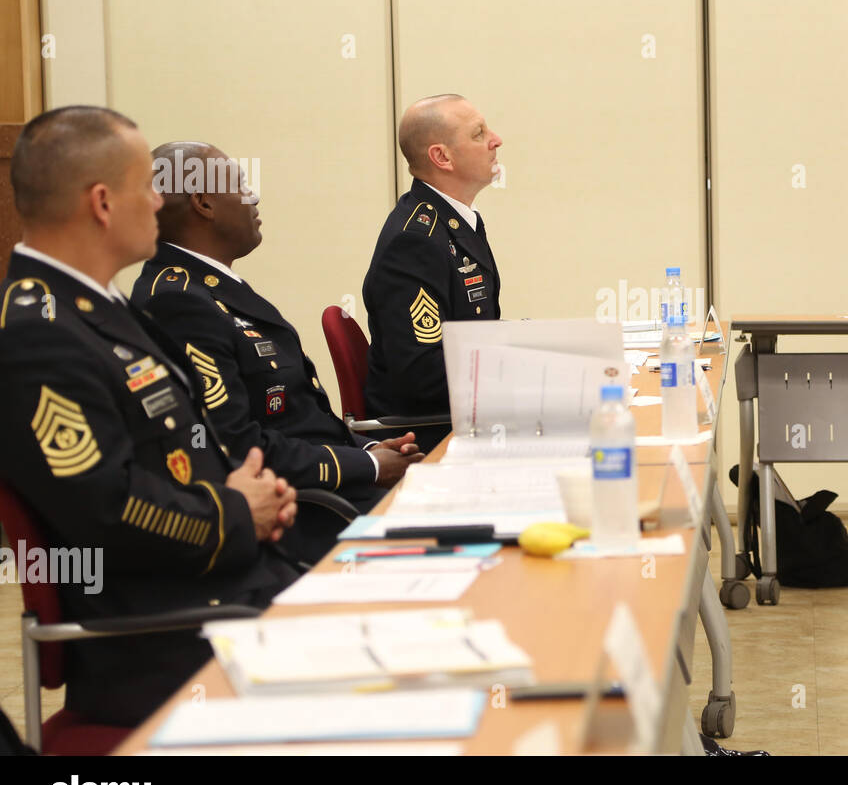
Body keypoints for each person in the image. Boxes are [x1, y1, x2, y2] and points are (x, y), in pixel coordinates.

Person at [0, 106, 300, 726]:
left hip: (223, 591)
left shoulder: (99, 307)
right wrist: (238, 511)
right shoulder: (41, 334)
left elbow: (181, 450)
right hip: (168, 636)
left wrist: (255, 499)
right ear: (104, 203)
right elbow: (108, 508)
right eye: (148, 186)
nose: (161, 203)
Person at [131, 141, 424, 562]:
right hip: (300, 518)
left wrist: (366, 450)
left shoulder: (213, 288)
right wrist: (370, 467)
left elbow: (297, 419)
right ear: (204, 202)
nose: (253, 196)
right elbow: (234, 445)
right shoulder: (179, 301)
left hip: (330, 492)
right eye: (240, 183)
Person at [363, 95, 504, 450]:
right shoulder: (415, 242)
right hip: (429, 436)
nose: (496, 140)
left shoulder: (454, 221)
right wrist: (521, 375)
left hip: (466, 418)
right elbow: (422, 377)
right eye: (478, 134)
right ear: (442, 157)